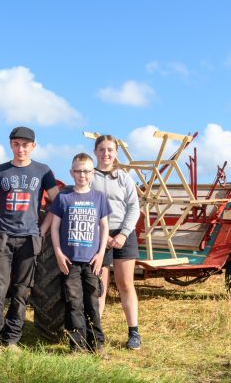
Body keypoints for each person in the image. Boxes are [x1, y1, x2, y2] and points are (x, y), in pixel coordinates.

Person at [0, 126, 59, 353]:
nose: (21, 149)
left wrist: (42, 229)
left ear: (33, 146)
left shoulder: (43, 171)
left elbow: (58, 203)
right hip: (3, 237)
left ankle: (12, 339)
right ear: (10, 145)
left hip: (28, 239)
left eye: (25, 145)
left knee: (21, 291)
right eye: (16, 144)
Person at [49, 153, 110, 355]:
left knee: (92, 302)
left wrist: (101, 254)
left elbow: (104, 228)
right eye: (78, 171)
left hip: (92, 261)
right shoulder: (64, 198)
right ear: (71, 173)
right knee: (73, 302)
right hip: (70, 261)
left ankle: (97, 344)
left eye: (86, 171)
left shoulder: (99, 198)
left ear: (92, 173)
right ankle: (77, 346)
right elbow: (54, 228)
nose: (82, 175)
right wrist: (58, 253)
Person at [90, 134, 142, 350]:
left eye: (110, 150)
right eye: (102, 149)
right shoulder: (89, 176)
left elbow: (134, 207)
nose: (106, 153)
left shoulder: (123, 177)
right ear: (95, 152)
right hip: (98, 233)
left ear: (116, 153)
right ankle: (96, 333)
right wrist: (104, 235)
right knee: (100, 286)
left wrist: (122, 234)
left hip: (123, 234)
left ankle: (134, 333)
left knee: (125, 284)